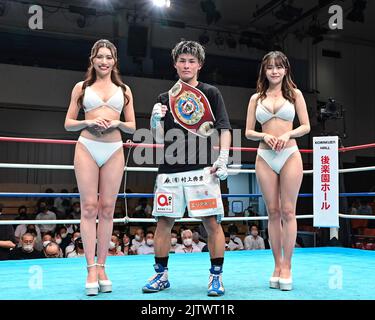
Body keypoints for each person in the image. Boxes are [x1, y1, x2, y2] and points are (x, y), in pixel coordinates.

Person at [142, 41, 231, 296]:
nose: (186, 65)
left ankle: (216, 278)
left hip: (202, 171)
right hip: (170, 172)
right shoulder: (164, 98)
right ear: (175, 64)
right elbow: (158, 139)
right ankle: (161, 275)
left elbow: (224, 128)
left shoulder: (211, 93)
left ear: (199, 65)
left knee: (212, 223)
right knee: (163, 223)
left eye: (191, 61)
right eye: (182, 60)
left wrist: (223, 158)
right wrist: (154, 121)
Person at [64, 39, 136, 296]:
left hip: (114, 150)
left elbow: (132, 126)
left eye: (109, 57)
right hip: (87, 148)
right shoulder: (81, 87)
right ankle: (90, 268)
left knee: (107, 209)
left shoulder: (124, 89)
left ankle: (103, 266)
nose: (104, 61)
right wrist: (88, 122)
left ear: (115, 61)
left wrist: (115, 124)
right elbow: (68, 123)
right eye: (100, 57)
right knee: (89, 208)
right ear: (92, 59)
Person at [245, 51, 310, 291]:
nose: (274, 71)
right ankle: (276, 264)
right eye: (270, 67)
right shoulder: (255, 98)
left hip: (290, 154)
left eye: (278, 67)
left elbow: (306, 126)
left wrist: (287, 134)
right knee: (272, 212)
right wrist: (265, 136)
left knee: (288, 211)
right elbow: (249, 132)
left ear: (286, 70)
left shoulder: (295, 95)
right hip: (264, 155)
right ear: (264, 70)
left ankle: (288, 266)